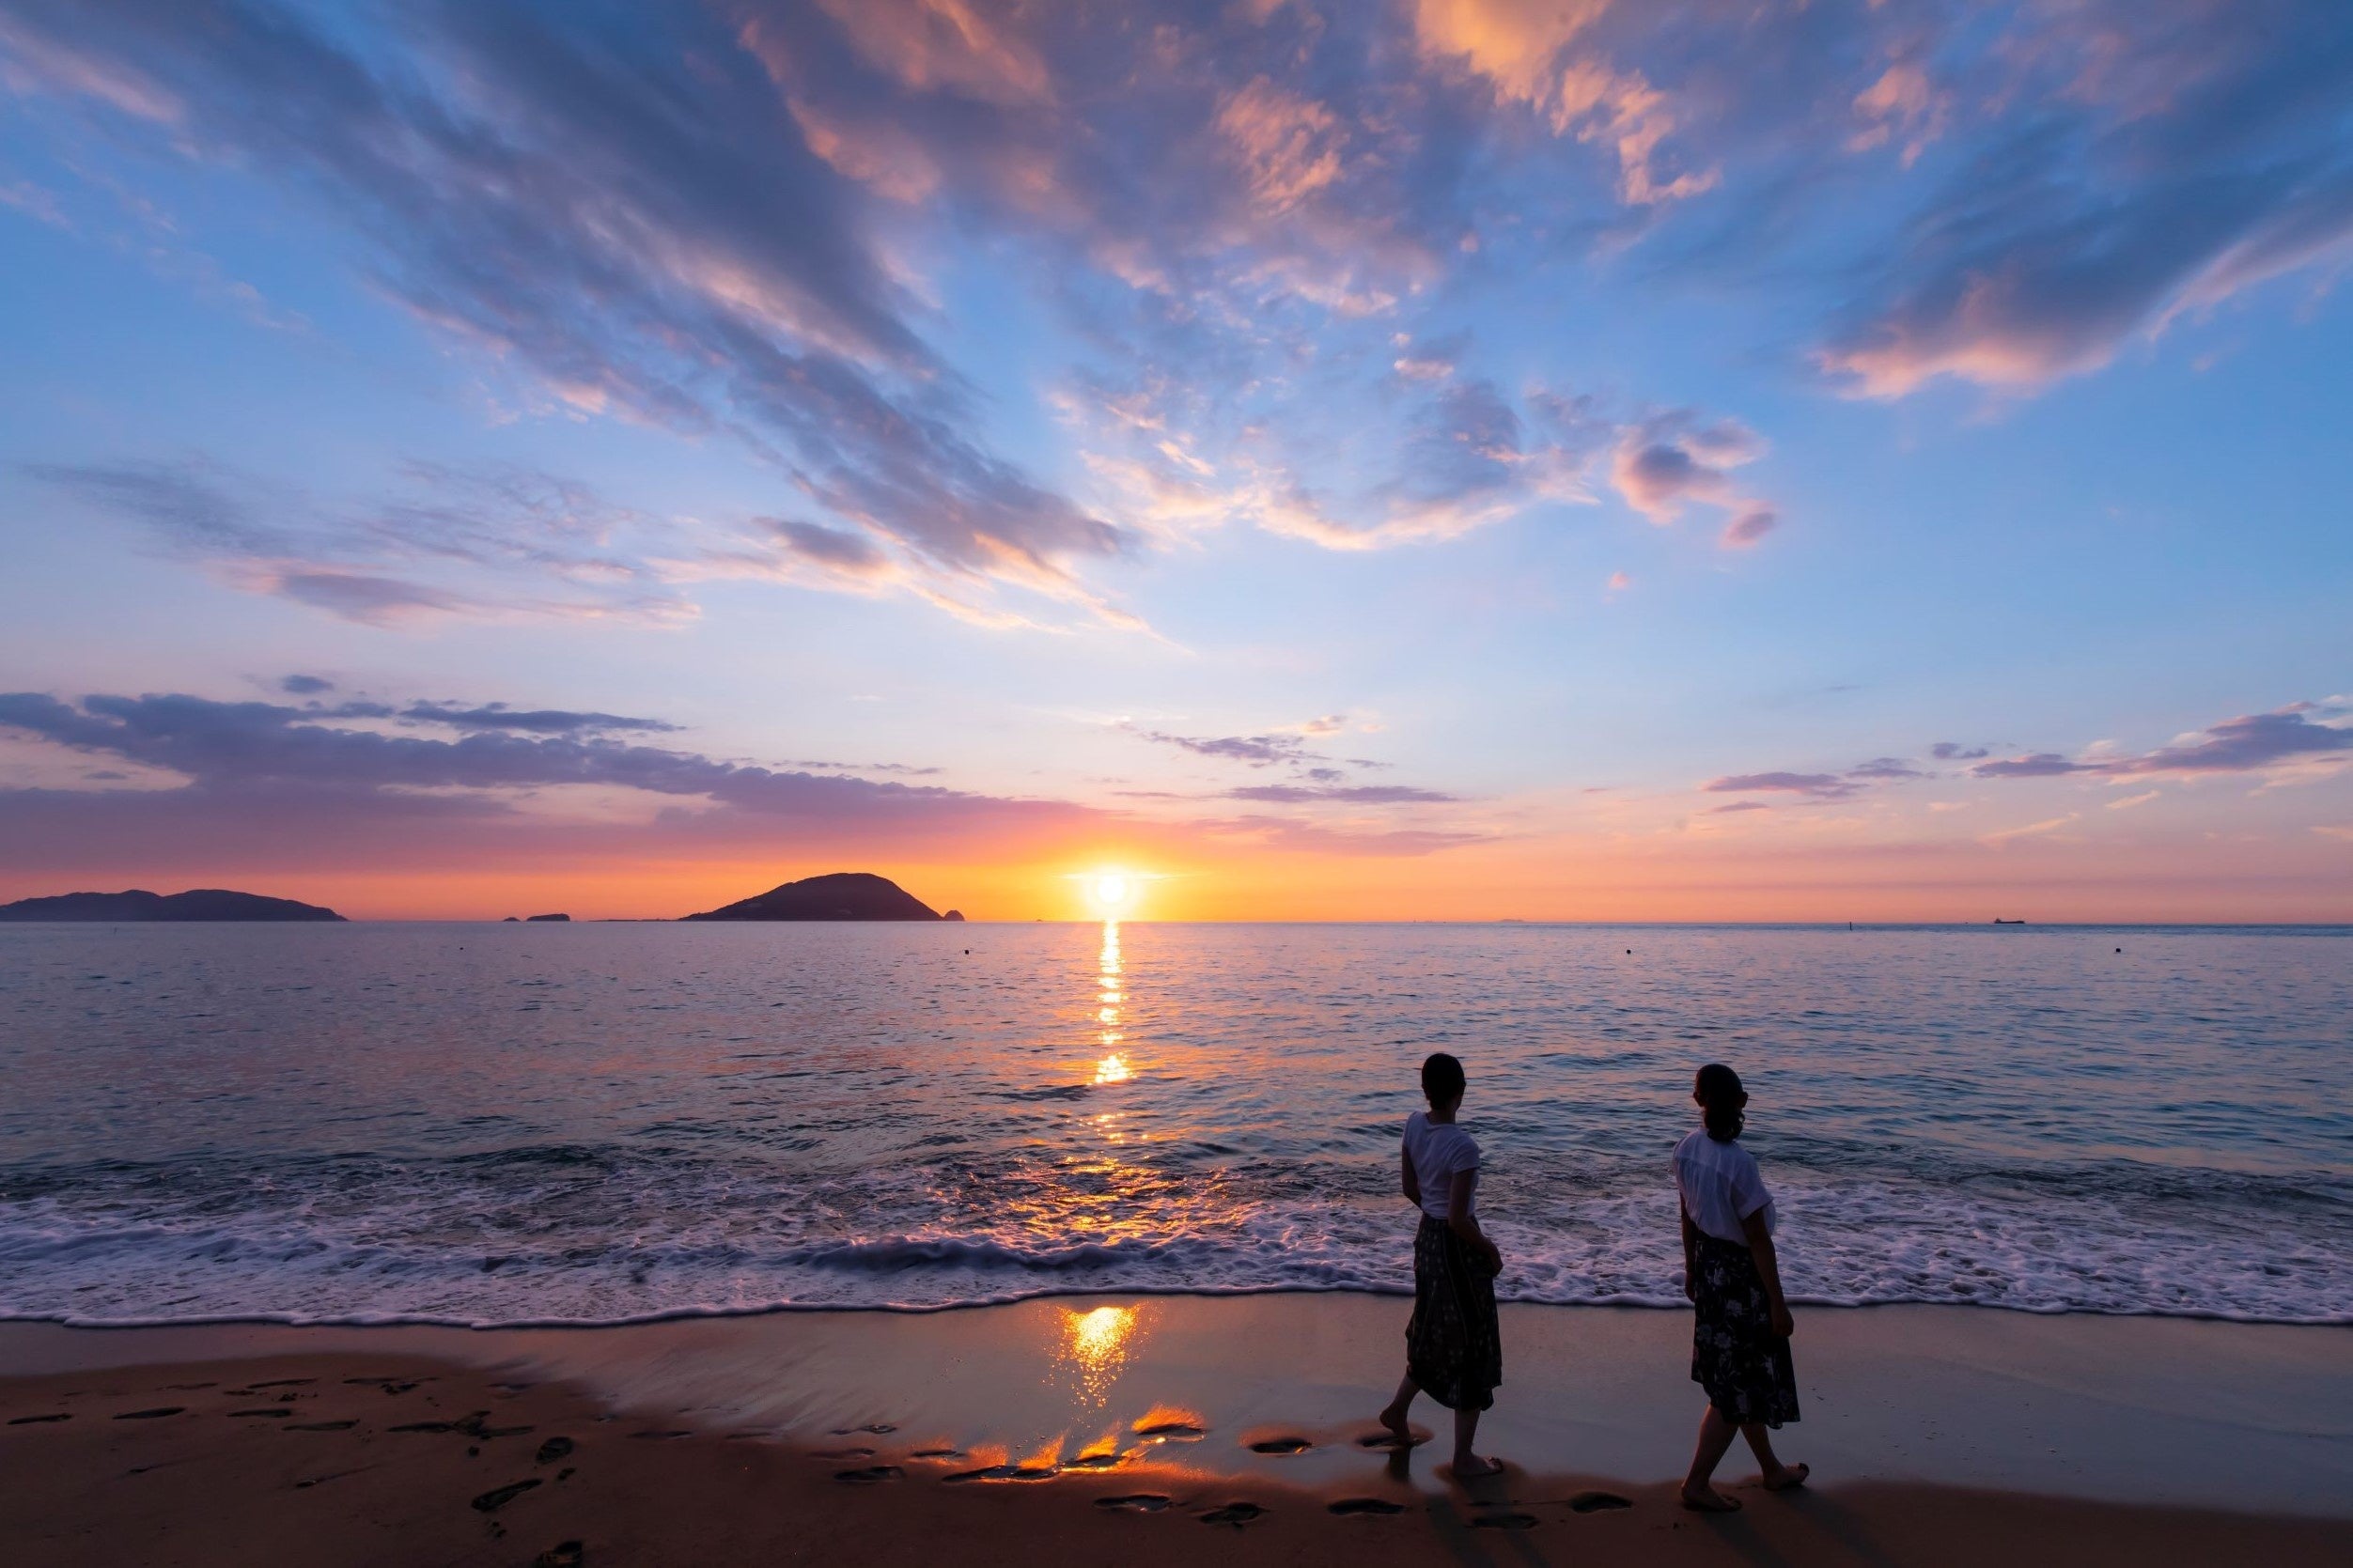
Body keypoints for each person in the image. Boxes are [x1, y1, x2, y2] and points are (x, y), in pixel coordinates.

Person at [1675, 1063, 1809, 1511]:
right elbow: (1757, 1240)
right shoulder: (1739, 1163)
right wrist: (1778, 1303)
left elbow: (1686, 1216)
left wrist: (1691, 1269)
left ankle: (1771, 1470)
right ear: (1742, 1102)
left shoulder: (1687, 1149)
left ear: (1698, 1101)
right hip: (1738, 1277)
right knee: (1734, 1389)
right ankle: (1695, 1484)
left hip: (1710, 1268)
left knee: (1739, 1377)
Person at [1377, 1051, 1504, 1478]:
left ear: (1426, 1091)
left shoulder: (1414, 1124)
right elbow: (1459, 1218)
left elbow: (1408, 1187)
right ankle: (1463, 1458)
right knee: (1472, 1341)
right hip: (1456, 1248)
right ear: (1460, 1093)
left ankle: (1397, 1410)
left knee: (1433, 1330)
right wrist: (1489, 1249)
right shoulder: (1463, 1147)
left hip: (1427, 1240)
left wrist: (1431, 1212)